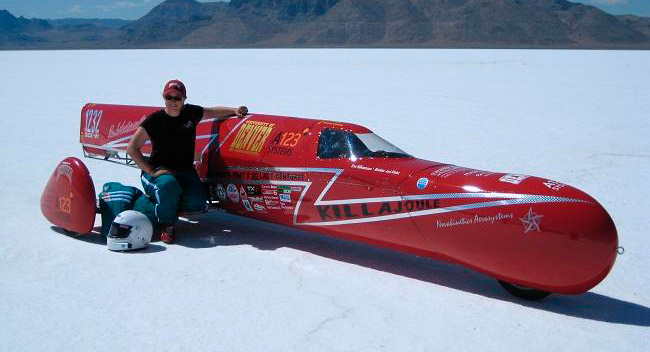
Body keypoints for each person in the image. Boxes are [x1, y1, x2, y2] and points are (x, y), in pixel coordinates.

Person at [127, 79, 248, 244]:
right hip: (159, 172)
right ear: (164, 98)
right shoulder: (155, 120)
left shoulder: (190, 113)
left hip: (184, 171)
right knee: (168, 186)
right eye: (169, 97)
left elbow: (212, 112)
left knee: (197, 203)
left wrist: (234, 110)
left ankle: (166, 204)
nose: (173, 101)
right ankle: (166, 223)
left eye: (177, 97)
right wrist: (150, 170)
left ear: (184, 99)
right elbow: (132, 148)